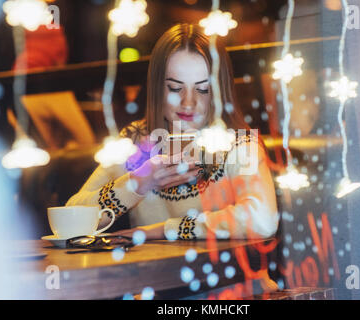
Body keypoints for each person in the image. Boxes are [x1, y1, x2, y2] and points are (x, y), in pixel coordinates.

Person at [66, 23, 278, 240]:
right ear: (157, 87)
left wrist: (164, 230)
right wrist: (138, 183)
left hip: (221, 273)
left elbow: (262, 220)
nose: (188, 102)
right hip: (150, 272)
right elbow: (71, 222)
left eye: (203, 89)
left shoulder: (239, 143)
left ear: (219, 90)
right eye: (175, 88)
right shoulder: (138, 141)